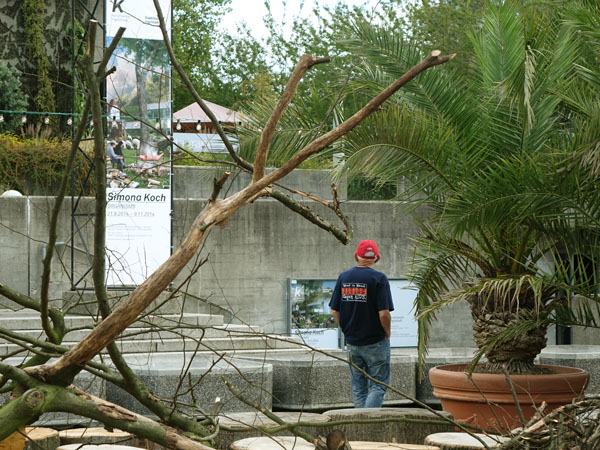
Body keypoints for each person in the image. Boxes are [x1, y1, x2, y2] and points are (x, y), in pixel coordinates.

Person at [329, 239, 394, 408]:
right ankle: (369, 422)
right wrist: (387, 332)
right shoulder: (379, 279)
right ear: (376, 258)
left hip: (352, 343)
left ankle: (359, 422)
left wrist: (347, 330)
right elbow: (384, 313)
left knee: (359, 387)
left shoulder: (344, 277)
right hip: (375, 342)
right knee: (378, 385)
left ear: (356, 256)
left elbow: (334, 311)